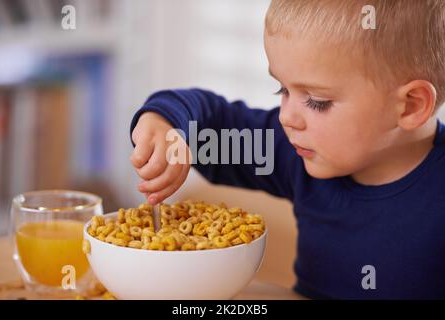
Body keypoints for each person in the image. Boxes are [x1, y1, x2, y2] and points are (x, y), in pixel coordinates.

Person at [129, 0, 445, 299]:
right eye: (282, 89)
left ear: (409, 105)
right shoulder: (295, 150)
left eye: (317, 101)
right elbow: (210, 125)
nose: (287, 117)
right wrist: (165, 123)